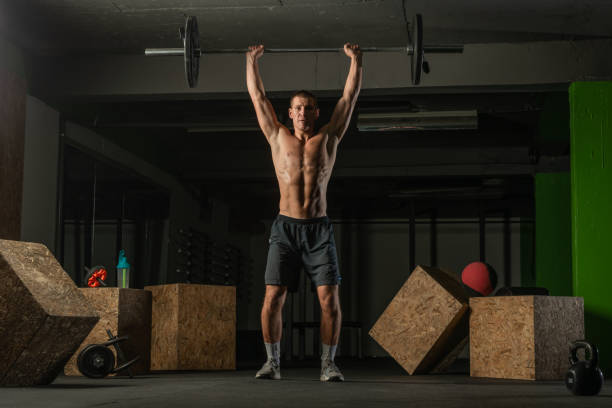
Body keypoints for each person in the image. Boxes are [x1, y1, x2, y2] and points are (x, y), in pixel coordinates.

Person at [246, 43, 362, 382]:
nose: (302, 112)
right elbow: (257, 97)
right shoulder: (276, 135)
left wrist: (356, 61)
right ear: (290, 112)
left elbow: (349, 98)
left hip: (318, 230)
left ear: (316, 112)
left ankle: (328, 365)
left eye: (308, 108)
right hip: (285, 229)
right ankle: (273, 363)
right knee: (273, 298)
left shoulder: (330, 137)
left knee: (329, 301)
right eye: (297, 107)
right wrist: (250, 61)